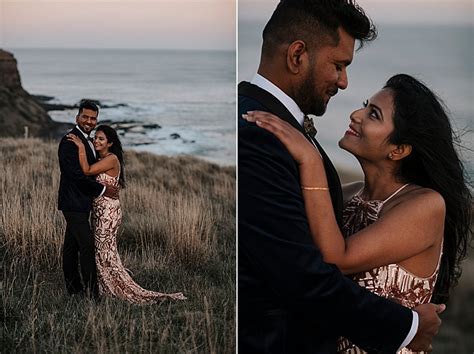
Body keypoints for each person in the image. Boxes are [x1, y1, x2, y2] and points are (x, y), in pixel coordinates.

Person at [238, 1, 445, 352]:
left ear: (400, 149)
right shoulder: (260, 132)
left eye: (374, 113)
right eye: (338, 65)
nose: (344, 84)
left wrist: (311, 158)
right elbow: (302, 275)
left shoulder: (423, 205)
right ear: (297, 55)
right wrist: (407, 327)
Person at [67, 125, 186, 303]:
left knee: (104, 251)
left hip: (108, 212)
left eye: (101, 139)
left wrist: (82, 147)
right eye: (95, 138)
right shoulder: (101, 158)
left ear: (110, 143)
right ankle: (104, 286)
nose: (96, 141)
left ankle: (116, 288)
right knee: (102, 252)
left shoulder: (111, 158)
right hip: (99, 211)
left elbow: (87, 171)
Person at [58, 99, 119, 299]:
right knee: (87, 245)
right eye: (85, 117)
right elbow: (76, 176)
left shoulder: (88, 141)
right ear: (78, 117)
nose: (89, 121)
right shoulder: (70, 141)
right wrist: (102, 190)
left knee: (71, 246)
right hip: (73, 203)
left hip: (83, 203)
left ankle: (74, 289)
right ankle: (93, 295)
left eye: (93, 118)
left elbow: (92, 170)